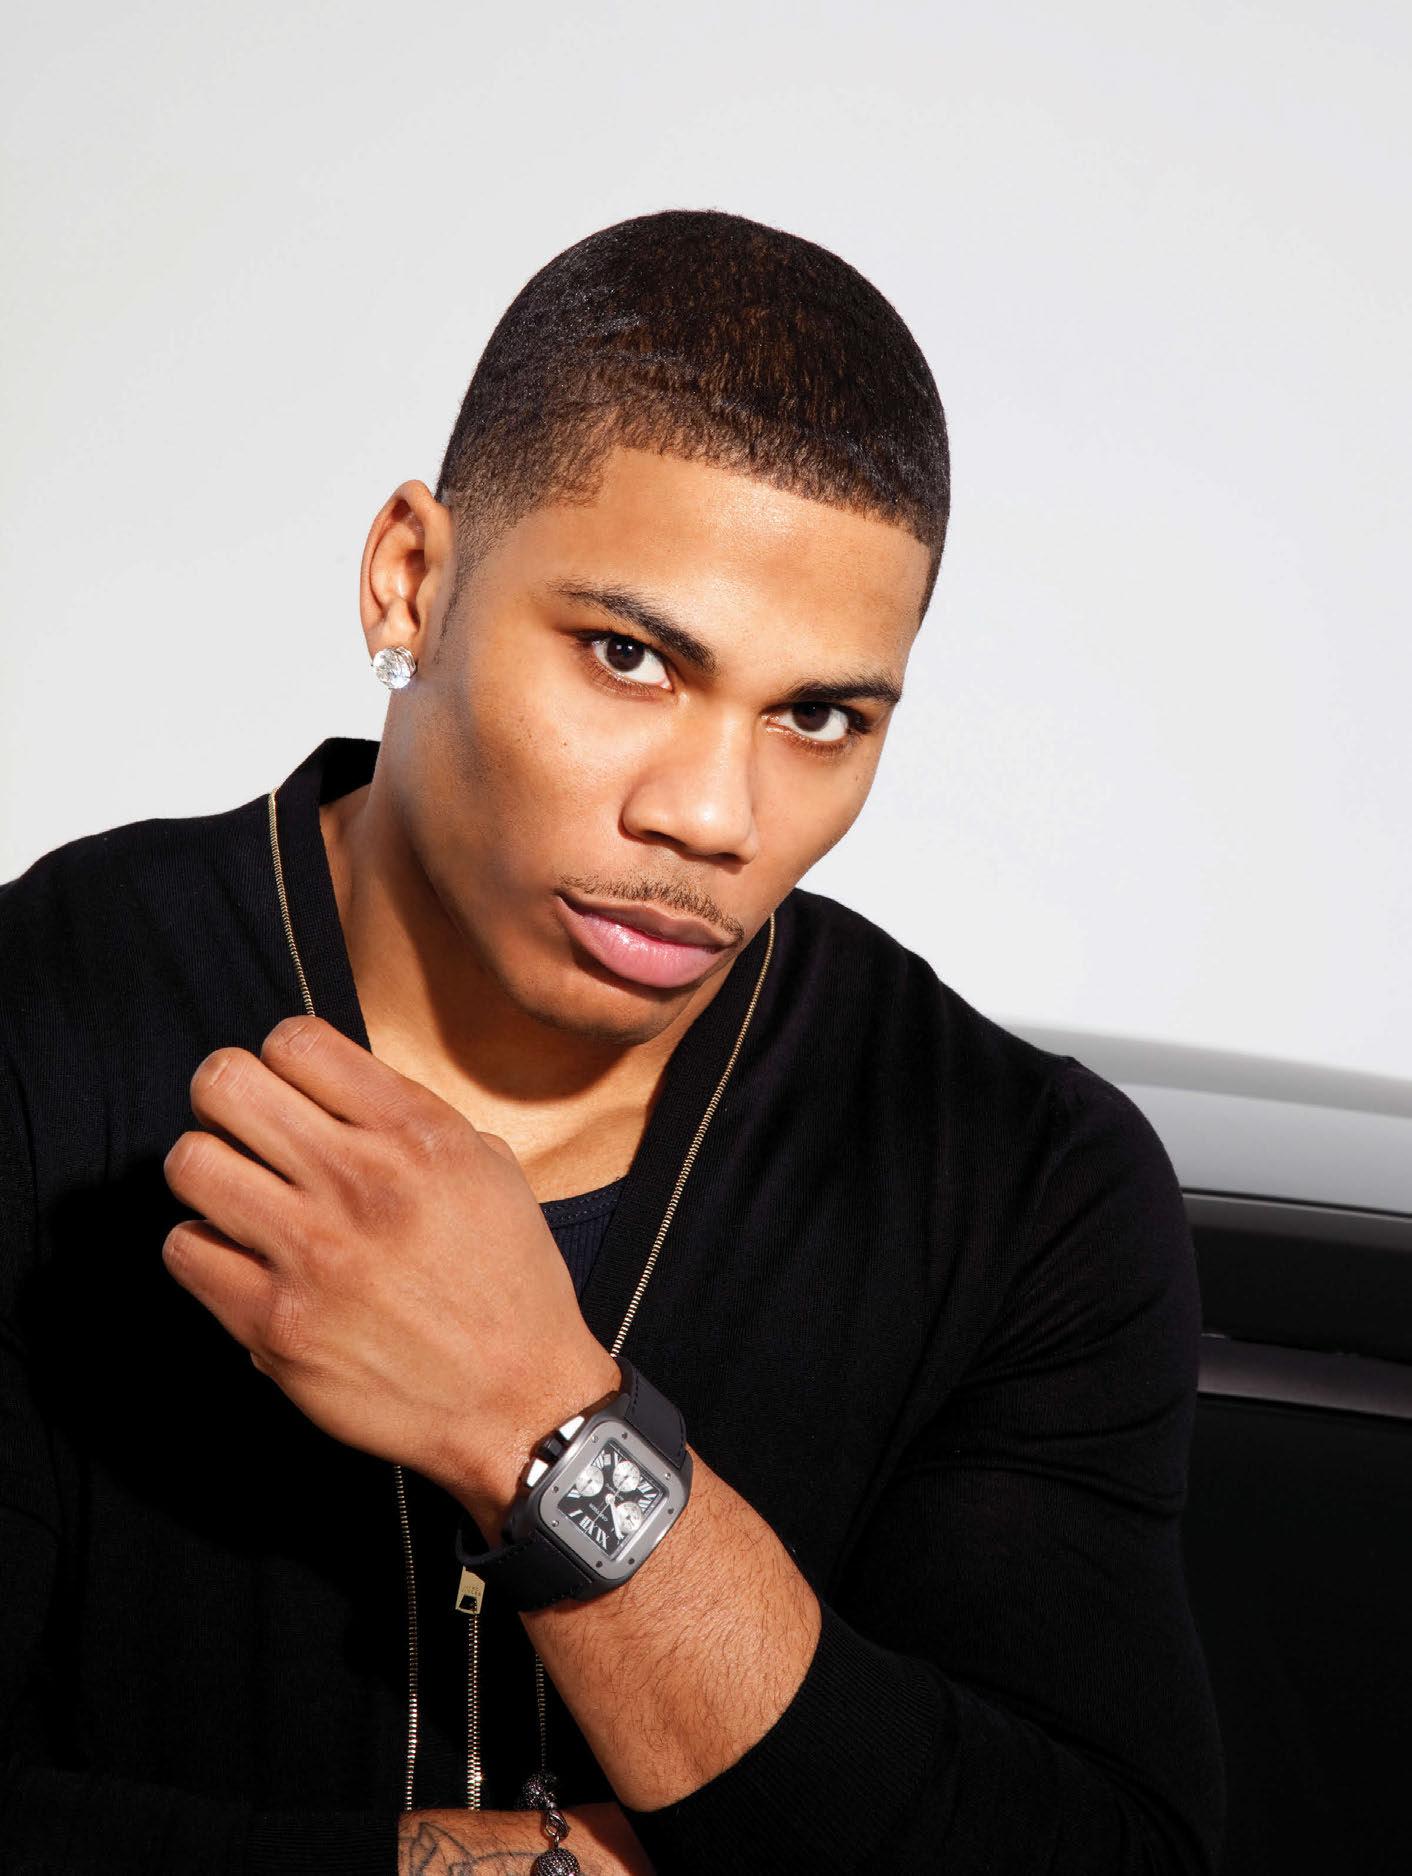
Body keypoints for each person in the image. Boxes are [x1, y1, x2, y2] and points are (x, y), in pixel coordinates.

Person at [0, 208, 1225, 1875]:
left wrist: (538, 1421)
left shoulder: (1021, 1189)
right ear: (411, 578)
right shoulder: (39, 1031)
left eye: (819, 717)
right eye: (630, 657)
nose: (714, 816)